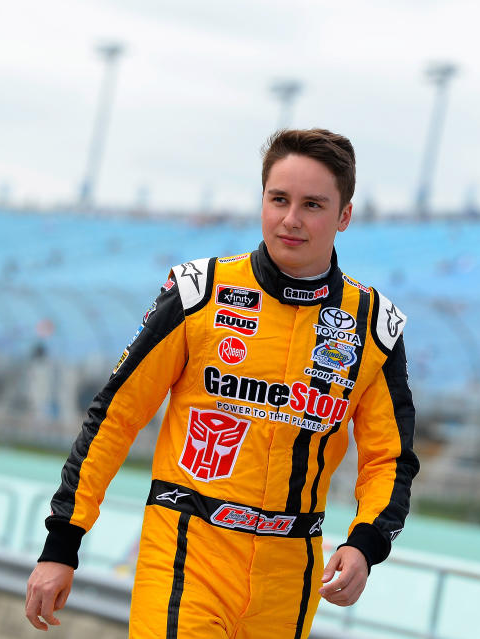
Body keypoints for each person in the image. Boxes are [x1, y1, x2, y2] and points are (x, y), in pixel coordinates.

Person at [25, 128, 420, 638]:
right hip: (187, 552)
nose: (290, 219)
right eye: (278, 199)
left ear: (344, 215)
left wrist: (366, 543)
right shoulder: (199, 293)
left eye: (313, 205)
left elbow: (390, 458)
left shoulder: (375, 326)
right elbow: (116, 415)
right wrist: (63, 543)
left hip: (291, 573)